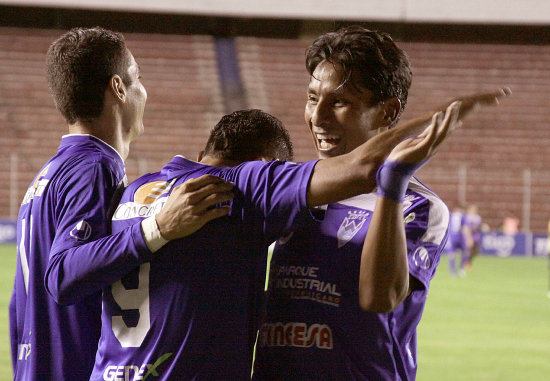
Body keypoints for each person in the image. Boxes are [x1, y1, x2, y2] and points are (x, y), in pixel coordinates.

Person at [89, 100, 470, 381]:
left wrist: (152, 232)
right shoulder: (245, 189)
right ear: (265, 164)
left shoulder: (131, 190)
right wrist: (433, 122)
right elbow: (363, 168)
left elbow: (62, 277)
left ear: (205, 153)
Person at [253, 26, 510, 380]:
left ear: (387, 112)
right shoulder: (291, 186)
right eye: (313, 98)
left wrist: (391, 188)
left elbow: (378, 298)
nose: (318, 116)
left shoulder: (418, 207)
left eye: (339, 102)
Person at [9, 27, 233, 380]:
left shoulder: (48, 174)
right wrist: (158, 228)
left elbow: (18, 306)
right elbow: (62, 274)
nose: (144, 90)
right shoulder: (94, 167)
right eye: (138, 78)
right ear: (118, 88)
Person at [448, 204, 468, 276]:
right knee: (464, 252)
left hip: (452, 237)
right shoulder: (462, 216)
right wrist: (468, 238)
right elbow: (465, 228)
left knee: (452, 254)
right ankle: (461, 269)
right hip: (461, 237)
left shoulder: (450, 215)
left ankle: (452, 271)